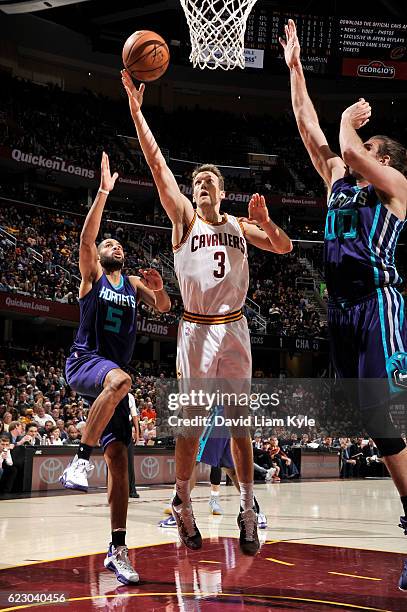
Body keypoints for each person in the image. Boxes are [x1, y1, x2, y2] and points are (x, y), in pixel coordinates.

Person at [122, 69, 292, 556]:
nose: (199, 187)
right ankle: (183, 503)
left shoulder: (240, 225)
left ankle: (247, 506)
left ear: (221, 192)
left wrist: (266, 222)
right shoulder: (183, 219)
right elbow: (156, 166)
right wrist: (137, 111)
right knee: (191, 427)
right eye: (195, 182)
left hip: (235, 329)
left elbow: (281, 247)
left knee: (241, 426)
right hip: (196, 332)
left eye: (206, 183)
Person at [280, 18, 407, 589]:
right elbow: (311, 132)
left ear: (386, 158)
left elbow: (349, 150)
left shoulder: (395, 186)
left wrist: (347, 123)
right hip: (341, 311)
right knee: (377, 429)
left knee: (387, 417)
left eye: (370, 145)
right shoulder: (339, 177)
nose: (358, 147)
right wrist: (296, 69)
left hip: (378, 303)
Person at [59, 152, 171, 584]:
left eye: (118, 244)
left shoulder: (135, 284)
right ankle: (79, 460)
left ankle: (117, 549)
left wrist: (160, 292)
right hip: (86, 363)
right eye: (109, 244)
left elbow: (163, 309)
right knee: (122, 377)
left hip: (113, 385)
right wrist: (103, 192)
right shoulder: (92, 279)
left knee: (121, 461)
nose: (114, 246)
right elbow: (86, 242)